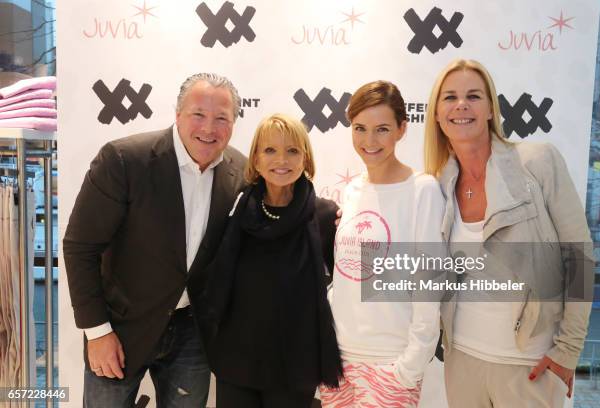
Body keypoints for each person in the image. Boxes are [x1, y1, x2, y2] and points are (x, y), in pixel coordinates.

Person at [63, 73, 247, 407]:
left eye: (222, 118)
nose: (209, 129)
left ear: (233, 123)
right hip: (120, 328)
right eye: (198, 115)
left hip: (193, 334)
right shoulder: (123, 160)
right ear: (178, 114)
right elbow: (80, 247)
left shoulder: (241, 170)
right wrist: (97, 331)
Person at [424, 59, 594, 407]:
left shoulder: (536, 162)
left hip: (527, 364)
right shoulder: (438, 184)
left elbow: (579, 256)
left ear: (490, 109)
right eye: (450, 97)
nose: (461, 105)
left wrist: (568, 350)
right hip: (462, 361)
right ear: (437, 115)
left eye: (473, 96)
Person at [194, 113, 343, 408]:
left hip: (295, 365)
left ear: (305, 159)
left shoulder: (326, 216)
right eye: (270, 150)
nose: (281, 160)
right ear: (257, 160)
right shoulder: (234, 208)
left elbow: (352, 283)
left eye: (292, 150)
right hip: (236, 360)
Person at [320, 81, 445, 407]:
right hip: (338, 361)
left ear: (402, 129)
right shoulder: (353, 191)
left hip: (390, 362)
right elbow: (346, 277)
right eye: (360, 128)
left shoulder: (422, 190)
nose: (369, 141)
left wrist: (409, 367)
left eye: (382, 129)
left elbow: (428, 285)